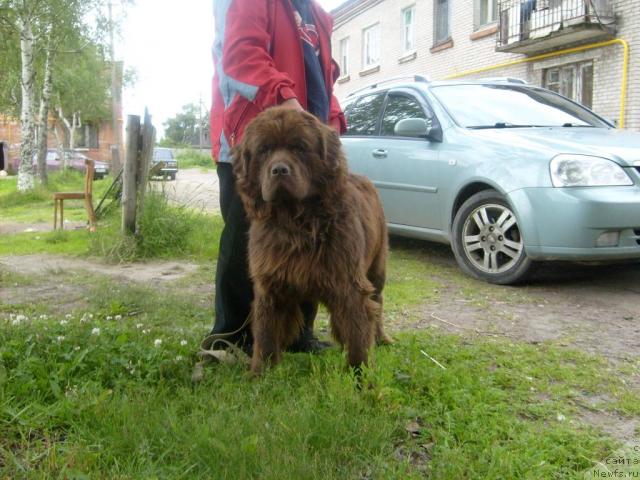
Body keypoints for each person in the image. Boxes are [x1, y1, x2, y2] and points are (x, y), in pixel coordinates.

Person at [202, 0, 347, 360]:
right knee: (245, 240)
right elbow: (240, 56)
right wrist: (285, 97)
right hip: (254, 146)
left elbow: (320, 82)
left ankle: (298, 334)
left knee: (311, 243)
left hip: (304, 156)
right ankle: (230, 337)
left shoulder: (318, 16)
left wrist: (333, 119)